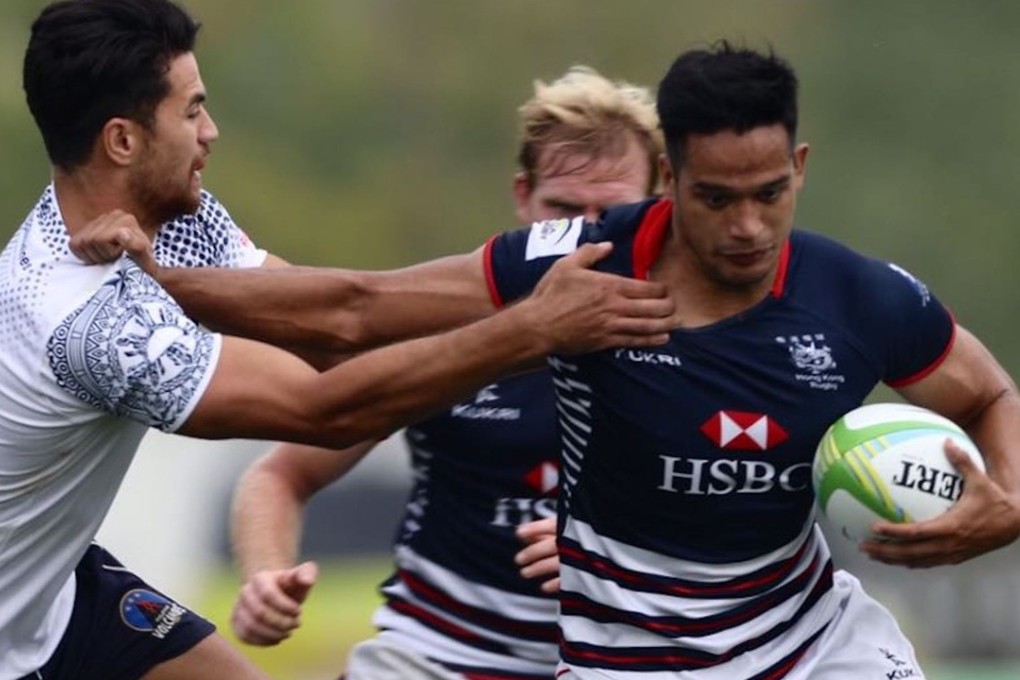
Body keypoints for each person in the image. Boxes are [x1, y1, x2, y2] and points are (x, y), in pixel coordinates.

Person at [95, 41, 1020, 678]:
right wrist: (160, 277)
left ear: (801, 169)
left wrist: (1009, 501)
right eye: (717, 199)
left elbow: (989, 395)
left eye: (770, 194)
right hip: (556, 657)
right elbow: (353, 310)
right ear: (674, 183)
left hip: (811, 644)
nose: (747, 226)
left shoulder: (861, 297)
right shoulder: (561, 275)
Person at [0, 1, 678, 679]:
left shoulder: (168, 223)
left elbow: (338, 321)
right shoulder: (87, 322)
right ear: (122, 141)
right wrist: (533, 330)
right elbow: (326, 411)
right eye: (192, 111)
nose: (211, 130)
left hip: (62, 595)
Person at [226, 66, 664, 680]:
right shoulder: (444, 327)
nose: (585, 241)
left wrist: (616, 555)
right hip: (435, 657)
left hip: (628, 663)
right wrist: (266, 575)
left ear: (661, 202)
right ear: (523, 195)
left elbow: (769, 523)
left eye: (612, 214)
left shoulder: (710, 338)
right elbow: (281, 475)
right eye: (563, 211)